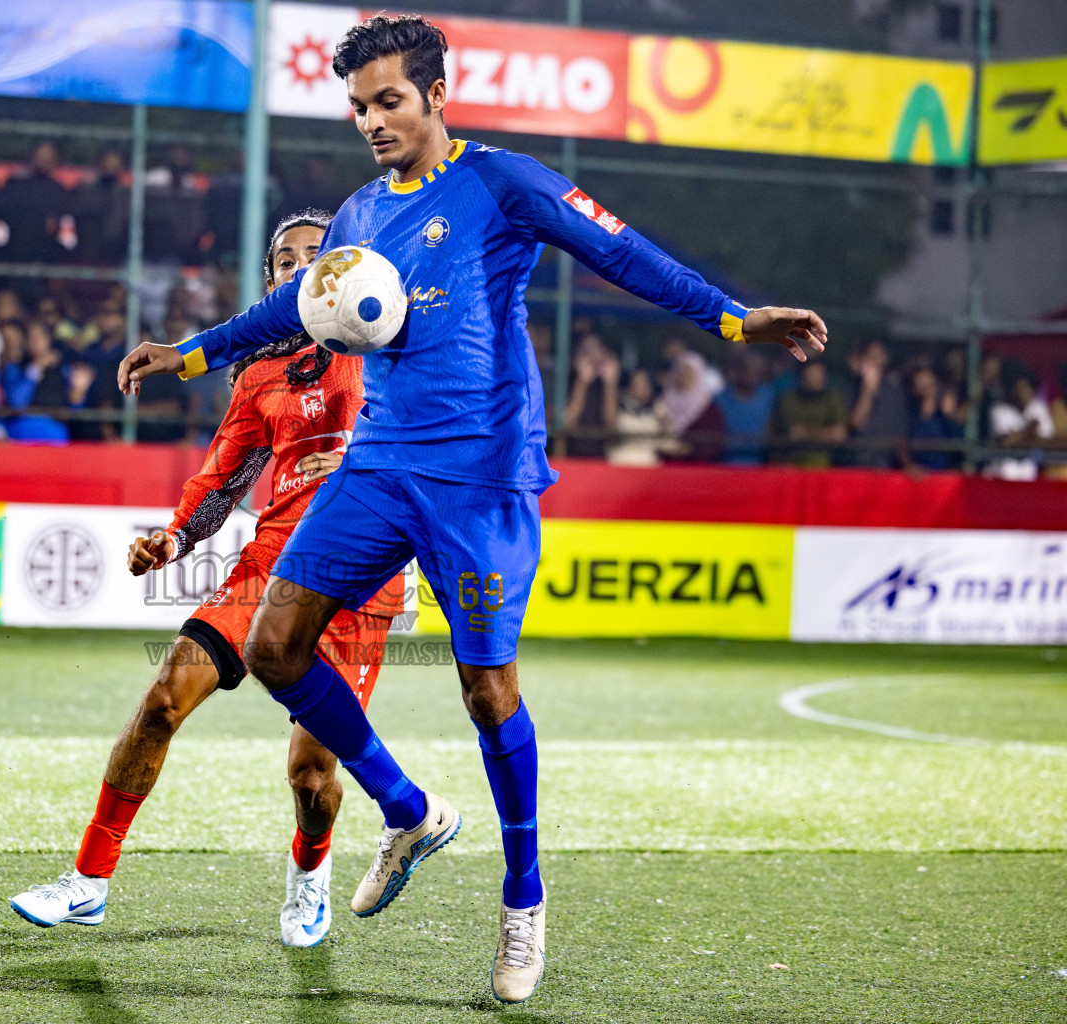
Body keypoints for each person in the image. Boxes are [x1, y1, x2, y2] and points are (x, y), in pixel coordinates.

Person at [115, 14, 827, 1004]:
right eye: (359, 105)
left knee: (488, 693)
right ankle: (408, 811)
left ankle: (523, 900)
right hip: (380, 466)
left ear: (438, 95)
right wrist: (189, 352)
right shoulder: (360, 214)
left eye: (390, 101)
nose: (371, 120)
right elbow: (291, 311)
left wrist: (736, 317)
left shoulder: (506, 183)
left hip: (484, 479)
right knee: (276, 647)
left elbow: (622, 253)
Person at [12, 210, 404, 948]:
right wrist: (174, 536)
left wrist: (355, 457)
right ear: (271, 282)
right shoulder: (258, 372)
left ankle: (310, 872)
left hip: (361, 571)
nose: (299, 266)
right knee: (162, 698)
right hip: (273, 563)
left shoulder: (390, 340)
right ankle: (89, 882)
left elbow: (431, 431)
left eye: (316, 255)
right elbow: (224, 480)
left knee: (311, 774)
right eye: (285, 259)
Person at [846, 340, 908, 468]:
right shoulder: (852, 388)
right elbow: (855, 424)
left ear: (886, 358)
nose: (874, 359)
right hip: (857, 461)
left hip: (887, 462)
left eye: (878, 355)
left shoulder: (895, 391)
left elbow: (899, 431)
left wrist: (906, 463)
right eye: (870, 355)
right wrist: (867, 392)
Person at [773, 360, 846, 468]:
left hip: (825, 465)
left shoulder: (833, 398)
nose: (818, 378)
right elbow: (794, 433)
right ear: (802, 376)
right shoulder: (788, 400)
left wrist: (806, 432)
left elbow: (839, 434)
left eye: (821, 374)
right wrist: (827, 433)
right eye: (813, 374)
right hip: (791, 464)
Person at [988, 363, 1053, 481]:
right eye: (1020, 388)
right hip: (1003, 475)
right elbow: (1005, 442)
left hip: (1030, 475)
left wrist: (1019, 437)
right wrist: (1029, 431)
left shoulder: (1039, 409)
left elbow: (1046, 442)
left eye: (1027, 388)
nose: (1023, 393)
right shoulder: (1000, 409)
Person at [712, 350, 776, 466]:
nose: (754, 373)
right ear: (739, 370)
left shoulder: (769, 397)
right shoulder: (720, 400)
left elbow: (773, 430)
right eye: (749, 368)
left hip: (760, 467)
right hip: (724, 466)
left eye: (758, 370)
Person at [606, 368, 677, 468]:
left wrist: (664, 422)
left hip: (649, 466)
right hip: (620, 462)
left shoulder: (659, 409)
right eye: (636, 383)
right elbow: (610, 427)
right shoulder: (618, 407)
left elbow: (670, 445)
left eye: (644, 383)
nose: (641, 387)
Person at [562, 332, 618, 458]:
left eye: (597, 349)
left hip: (600, 456)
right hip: (571, 455)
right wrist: (582, 382)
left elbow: (611, 425)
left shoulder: (605, 383)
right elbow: (566, 422)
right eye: (587, 350)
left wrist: (610, 384)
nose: (592, 355)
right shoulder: (567, 380)